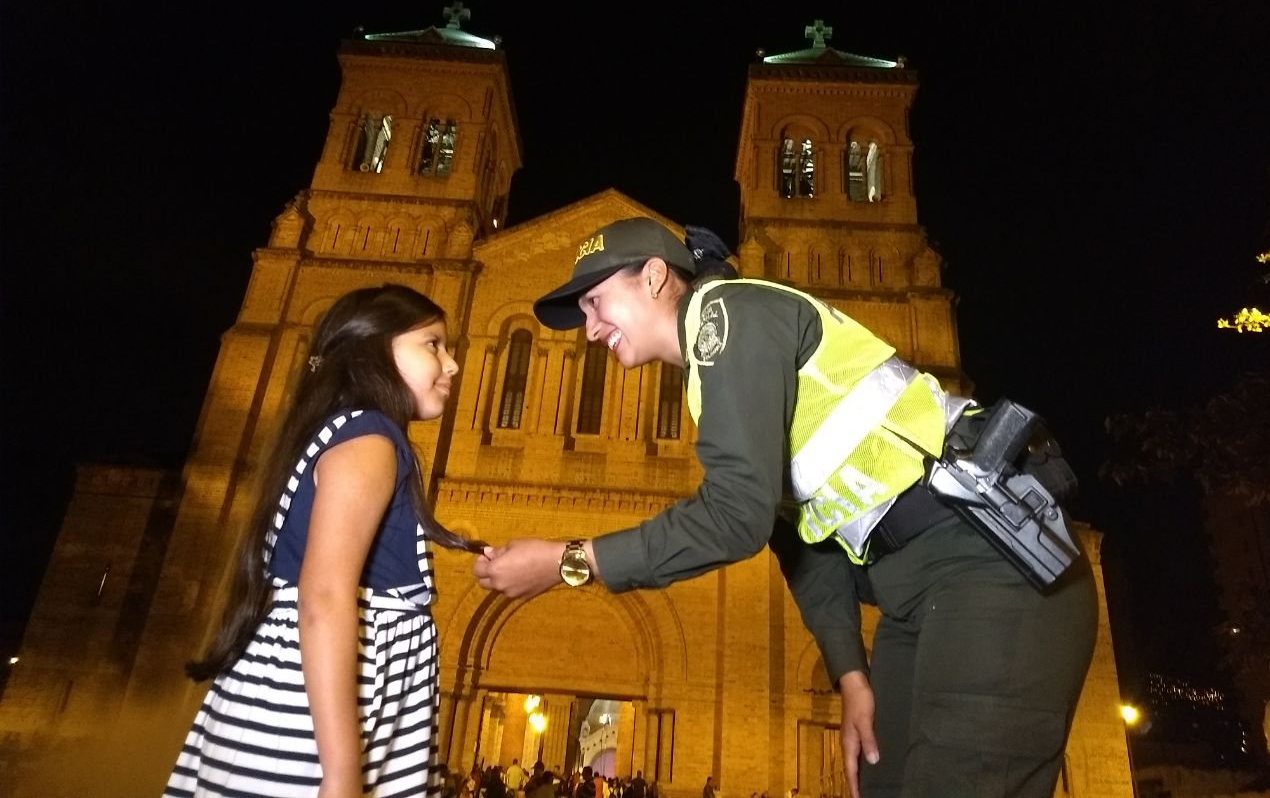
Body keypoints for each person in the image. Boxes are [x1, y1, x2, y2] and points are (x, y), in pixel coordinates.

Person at [472, 218, 1098, 798]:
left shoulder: (725, 315)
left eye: (595, 303)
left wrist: (565, 561)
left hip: (990, 566)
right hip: (919, 591)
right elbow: (799, 537)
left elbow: (736, 517)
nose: (589, 329)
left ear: (656, 276)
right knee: (884, 780)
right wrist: (851, 674)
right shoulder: (707, 370)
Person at [164, 284, 478, 798]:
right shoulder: (371, 440)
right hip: (304, 740)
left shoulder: (343, 435)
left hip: (293, 721)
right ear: (372, 350)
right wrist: (341, 775)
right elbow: (325, 598)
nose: (452, 364)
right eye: (433, 344)